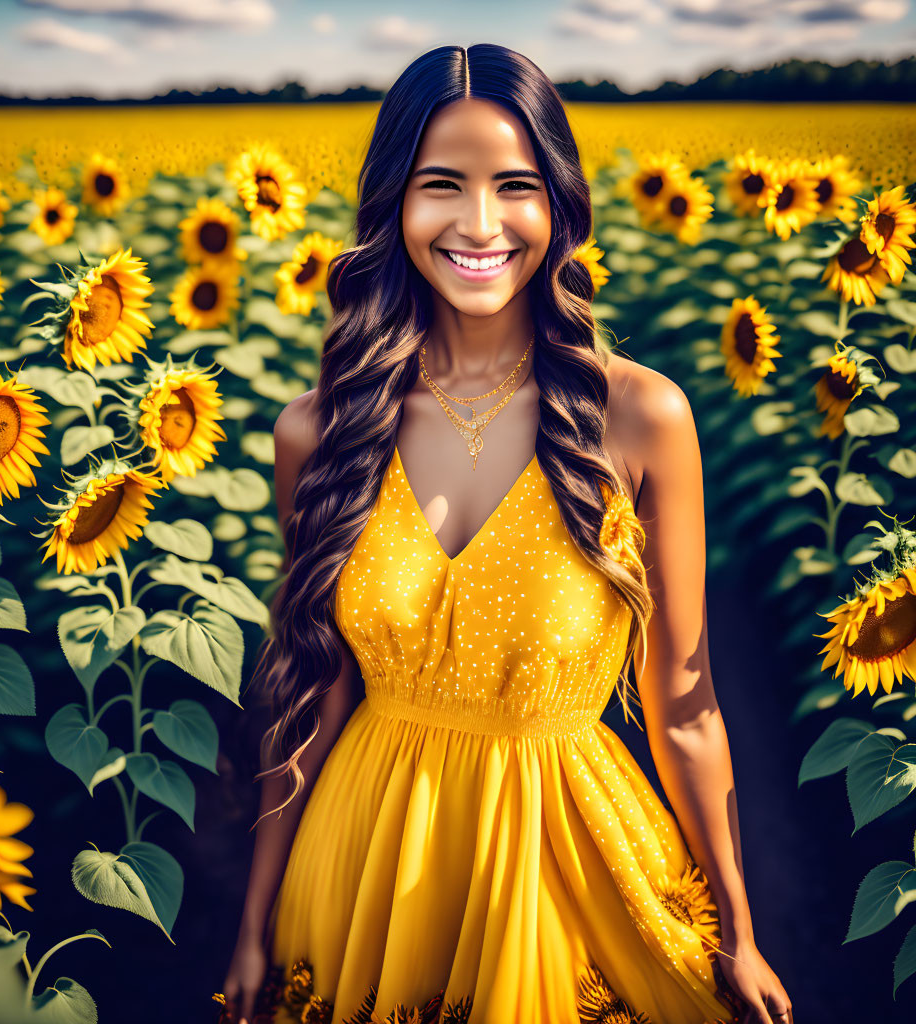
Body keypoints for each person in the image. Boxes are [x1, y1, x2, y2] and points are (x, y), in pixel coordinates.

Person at [222, 43, 792, 1024]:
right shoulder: (316, 431)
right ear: (393, 205)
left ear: (558, 207)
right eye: (441, 185)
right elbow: (313, 686)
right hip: (361, 868)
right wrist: (252, 921)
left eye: (515, 187)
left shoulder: (641, 417)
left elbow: (686, 707)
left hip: (567, 860)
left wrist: (739, 934)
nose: (479, 224)